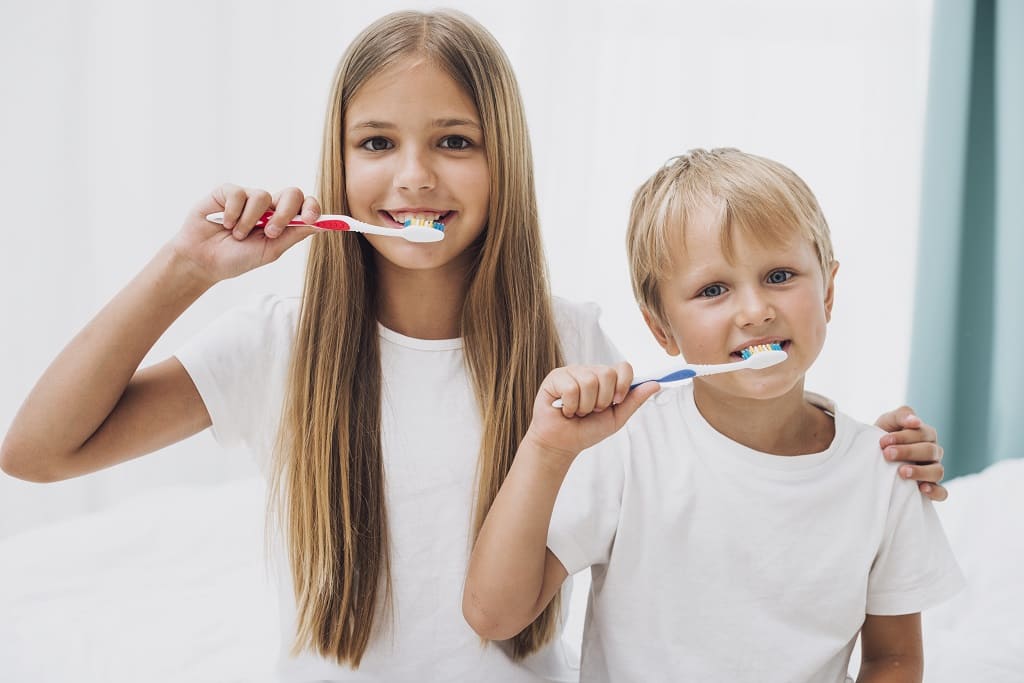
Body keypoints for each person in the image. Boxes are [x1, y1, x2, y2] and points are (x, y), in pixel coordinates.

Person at [0, 9, 945, 681]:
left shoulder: (568, 340)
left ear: (505, 162)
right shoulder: (282, 345)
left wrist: (865, 452)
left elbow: (714, 459)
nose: (413, 176)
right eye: (375, 143)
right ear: (338, 160)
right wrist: (184, 269)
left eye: (454, 140)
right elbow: (37, 452)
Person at [463, 148, 964, 682]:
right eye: (713, 290)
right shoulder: (629, 447)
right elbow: (494, 615)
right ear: (661, 328)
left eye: (780, 275)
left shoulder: (883, 472)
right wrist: (546, 450)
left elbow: (894, 658)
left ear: (829, 293)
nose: (755, 311)